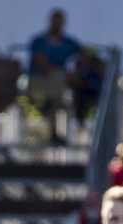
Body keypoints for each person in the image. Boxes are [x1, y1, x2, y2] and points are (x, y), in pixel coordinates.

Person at [28, 9, 81, 142]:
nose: (57, 24)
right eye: (54, 20)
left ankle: (53, 133)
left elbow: (84, 53)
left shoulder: (68, 42)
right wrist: (61, 72)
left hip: (55, 87)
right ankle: (53, 129)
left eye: (60, 21)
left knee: (55, 99)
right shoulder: (38, 41)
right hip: (39, 82)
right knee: (59, 77)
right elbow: (41, 64)